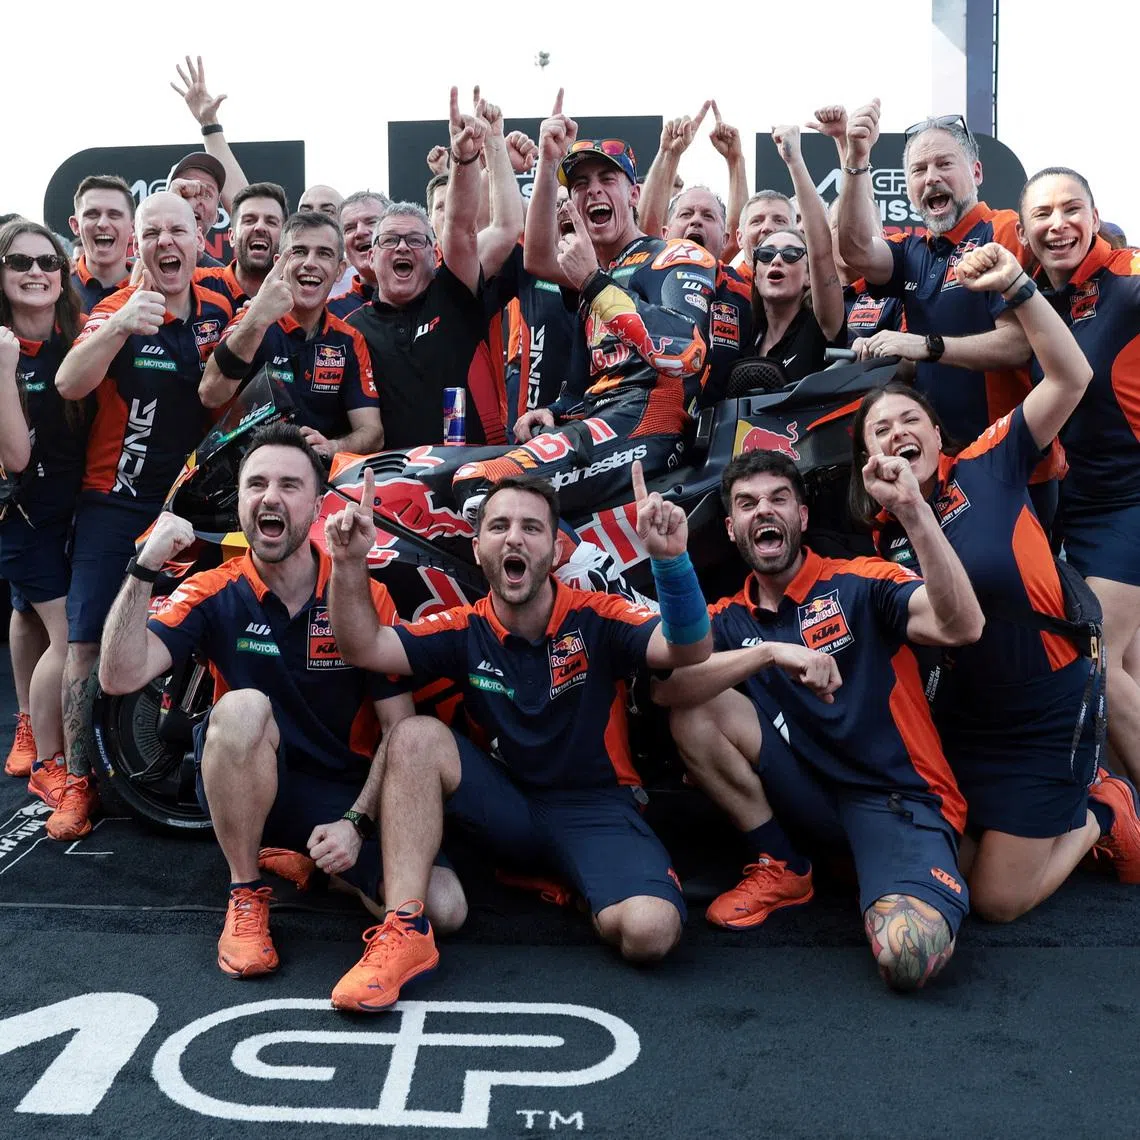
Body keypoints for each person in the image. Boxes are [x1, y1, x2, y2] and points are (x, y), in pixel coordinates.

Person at [322, 462, 711, 1011]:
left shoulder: (597, 616)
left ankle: (568, 884)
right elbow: (363, 647)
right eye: (499, 525)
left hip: (596, 808)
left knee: (650, 934)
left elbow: (689, 650)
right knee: (413, 736)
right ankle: (404, 929)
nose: (514, 536)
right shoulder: (465, 627)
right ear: (479, 548)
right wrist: (347, 562)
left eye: (532, 527)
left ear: (555, 551)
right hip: (508, 807)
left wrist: (671, 561)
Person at [96, 424, 465, 980]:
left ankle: (316, 864)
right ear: (241, 503)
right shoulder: (213, 588)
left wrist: (355, 824)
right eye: (256, 484)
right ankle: (245, 892)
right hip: (253, 772)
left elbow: (399, 730)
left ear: (317, 504)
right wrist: (145, 567)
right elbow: (118, 676)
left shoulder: (364, 594)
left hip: (344, 794)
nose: (270, 497)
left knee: (445, 908)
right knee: (242, 707)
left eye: (289, 485)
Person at [850, 241, 1140, 921]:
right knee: (952, 865)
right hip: (965, 717)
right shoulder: (883, 534)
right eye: (879, 430)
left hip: (1045, 706)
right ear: (867, 457)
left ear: (937, 433)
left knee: (997, 904)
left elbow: (1070, 376)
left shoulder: (986, 460)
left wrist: (1016, 286)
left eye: (908, 420)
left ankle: (1103, 807)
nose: (896, 434)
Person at [655, 448, 985, 991]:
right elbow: (666, 689)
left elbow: (963, 626)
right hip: (807, 798)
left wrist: (913, 512)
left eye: (778, 498)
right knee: (696, 707)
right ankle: (785, 867)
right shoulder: (728, 616)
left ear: (802, 517)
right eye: (747, 503)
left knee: (907, 957)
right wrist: (767, 653)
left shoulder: (859, 581)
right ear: (733, 528)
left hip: (895, 800)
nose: (764, 510)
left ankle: (895, 872)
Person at [52, 192, 234, 841]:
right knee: (85, 645)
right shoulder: (114, 308)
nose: (165, 243)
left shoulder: (218, 305)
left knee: (209, 637)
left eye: (176, 231)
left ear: (200, 236)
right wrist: (124, 321)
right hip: (113, 503)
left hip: (196, 508)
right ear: (139, 243)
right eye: (152, 231)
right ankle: (78, 782)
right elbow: (71, 381)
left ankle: (220, 776)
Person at [452, 91, 714, 516]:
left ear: (633, 194)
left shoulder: (675, 256)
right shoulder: (592, 268)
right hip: (598, 416)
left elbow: (686, 351)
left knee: (481, 483)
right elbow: (537, 257)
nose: (593, 191)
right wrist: (548, 164)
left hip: (653, 424)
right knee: (448, 472)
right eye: (581, 185)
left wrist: (593, 282)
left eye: (607, 180)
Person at [1017, 167, 1140, 787]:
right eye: (1042, 213)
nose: (1057, 223)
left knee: (1099, 658)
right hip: (1082, 496)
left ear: (1095, 217)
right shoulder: (1041, 292)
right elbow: (1007, 348)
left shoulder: (1128, 277)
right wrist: (923, 347)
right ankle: (1127, 821)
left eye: (1072, 209)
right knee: (1128, 666)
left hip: (1131, 498)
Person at [348, 88, 523, 449]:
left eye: (416, 240)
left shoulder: (453, 291)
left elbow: (464, 226)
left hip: (470, 473)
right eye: (390, 241)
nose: (402, 247)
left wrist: (468, 155)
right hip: (392, 485)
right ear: (371, 256)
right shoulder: (352, 330)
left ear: (433, 254)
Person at [0, 222, 89, 788]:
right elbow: (14, 456)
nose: (36, 271)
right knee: (68, 635)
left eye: (47, 261)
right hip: (22, 517)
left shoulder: (77, 337)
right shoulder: (0, 349)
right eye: (20, 262)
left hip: (74, 504)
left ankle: (30, 721)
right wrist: (3, 372)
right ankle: (48, 764)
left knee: (26, 610)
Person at [200, 210, 382, 461]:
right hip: (245, 482)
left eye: (324, 253)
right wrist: (258, 319)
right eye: (299, 251)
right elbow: (210, 394)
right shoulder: (250, 319)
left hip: (316, 483)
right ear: (279, 264)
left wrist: (333, 447)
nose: (310, 262)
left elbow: (372, 432)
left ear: (340, 271)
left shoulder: (348, 340)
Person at [746, 126, 845, 383]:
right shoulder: (744, 335)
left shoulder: (822, 327)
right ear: (755, 276)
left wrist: (795, 161)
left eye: (791, 254)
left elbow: (822, 251)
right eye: (766, 254)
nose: (777, 259)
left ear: (809, 277)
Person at [639, 101, 749, 267]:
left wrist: (736, 161)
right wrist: (669, 153)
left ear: (724, 239)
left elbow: (737, 234)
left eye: (708, 216)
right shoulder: (647, 275)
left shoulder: (730, 284)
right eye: (685, 214)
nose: (696, 221)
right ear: (665, 233)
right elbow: (647, 228)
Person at [169, 55, 250, 213]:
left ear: (217, 212)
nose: (197, 201)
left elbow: (246, 210)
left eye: (207, 194)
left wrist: (209, 123)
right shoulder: (147, 235)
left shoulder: (240, 232)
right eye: (186, 190)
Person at [202, 181, 288, 307]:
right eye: (249, 220)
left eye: (271, 222)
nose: (260, 227)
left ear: (285, 238)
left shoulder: (298, 297)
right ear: (231, 237)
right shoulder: (196, 283)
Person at [68, 175, 133, 312]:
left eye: (114, 215)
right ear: (75, 226)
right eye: (92, 214)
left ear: (132, 226)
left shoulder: (152, 287)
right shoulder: (58, 290)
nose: (103, 224)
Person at [329, 191, 389, 320]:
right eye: (349, 228)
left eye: (372, 222)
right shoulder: (328, 314)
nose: (360, 232)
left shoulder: (428, 294)